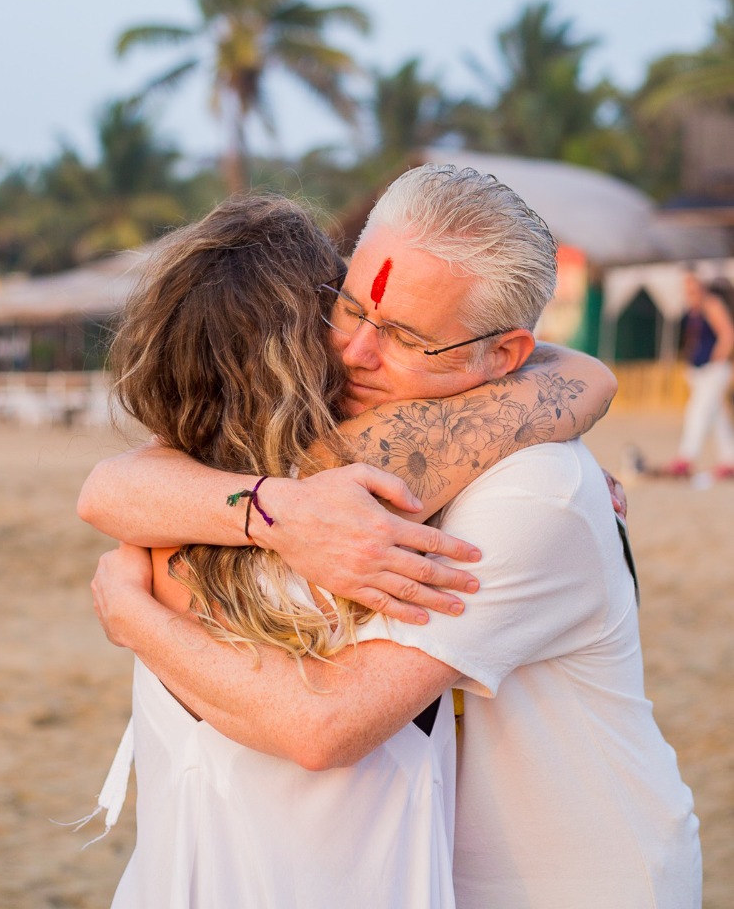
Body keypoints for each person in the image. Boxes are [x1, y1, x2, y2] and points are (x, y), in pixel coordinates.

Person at [85, 165, 701, 908]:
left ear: (504, 358)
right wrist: (272, 506)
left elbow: (325, 725)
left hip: (576, 882)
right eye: (347, 310)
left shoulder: (533, 489)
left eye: (406, 336)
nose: (356, 354)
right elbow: (114, 486)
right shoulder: (367, 437)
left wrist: (134, 617)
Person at [664, 271, 734, 479]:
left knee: (697, 411)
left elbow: (728, 334)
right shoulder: (693, 310)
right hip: (699, 371)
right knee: (716, 417)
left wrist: (716, 359)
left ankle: (686, 457)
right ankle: (729, 459)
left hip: (713, 370)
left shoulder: (711, 304)